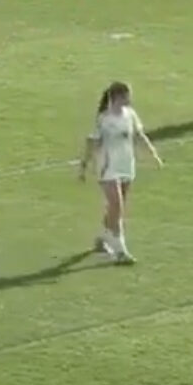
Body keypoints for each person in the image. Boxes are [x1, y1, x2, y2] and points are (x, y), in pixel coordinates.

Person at [77, 81, 162, 264]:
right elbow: (93, 141)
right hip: (107, 167)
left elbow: (139, 135)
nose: (130, 99)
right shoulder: (105, 119)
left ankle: (102, 238)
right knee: (118, 206)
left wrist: (153, 154)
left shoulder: (130, 115)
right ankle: (120, 250)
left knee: (116, 207)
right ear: (117, 97)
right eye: (127, 95)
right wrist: (84, 166)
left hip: (126, 166)